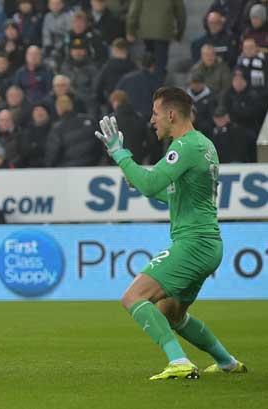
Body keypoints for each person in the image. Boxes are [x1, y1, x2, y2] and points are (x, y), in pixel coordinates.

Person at [94, 86, 247, 380]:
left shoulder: (184, 146)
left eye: (155, 113)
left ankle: (179, 361)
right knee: (172, 314)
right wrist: (137, 177)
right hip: (208, 243)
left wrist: (119, 154)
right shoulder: (204, 144)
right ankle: (227, 362)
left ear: (172, 114)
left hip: (193, 243)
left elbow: (151, 185)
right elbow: (169, 194)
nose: (152, 120)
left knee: (133, 297)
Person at [126, 0, 186, 81]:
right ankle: (157, 85)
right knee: (160, 62)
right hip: (164, 32)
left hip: (146, 32)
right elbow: (181, 14)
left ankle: (147, 83)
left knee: (149, 58)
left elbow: (134, 11)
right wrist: (179, 34)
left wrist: (131, 30)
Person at [44, 95, 101, 167]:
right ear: (71, 105)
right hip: (93, 166)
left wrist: (48, 166)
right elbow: (100, 144)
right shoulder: (89, 120)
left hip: (69, 171)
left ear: (58, 108)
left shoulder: (57, 128)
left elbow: (52, 155)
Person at [109, 90, 151, 165]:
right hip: (137, 161)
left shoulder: (111, 119)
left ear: (115, 102)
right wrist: (142, 153)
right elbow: (150, 142)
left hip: (117, 161)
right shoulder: (140, 118)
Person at [185, 71, 218, 136]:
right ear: (191, 83)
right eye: (195, 83)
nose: (197, 85)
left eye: (199, 83)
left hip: (205, 133)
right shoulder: (184, 97)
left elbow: (212, 118)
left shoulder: (211, 97)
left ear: (203, 83)